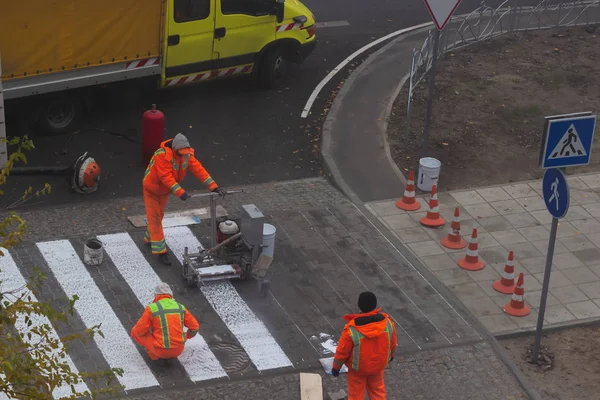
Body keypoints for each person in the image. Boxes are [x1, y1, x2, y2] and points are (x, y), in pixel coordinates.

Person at [143, 133, 225, 265]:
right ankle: (161, 252)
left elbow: (199, 169)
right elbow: (166, 177)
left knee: (158, 216)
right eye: (181, 153)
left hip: (163, 191)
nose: (183, 156)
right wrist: (180, 192)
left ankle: (149, 237)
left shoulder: (185, 154)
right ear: (175, 149)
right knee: (155, 218)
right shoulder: (162, 155)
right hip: (152, 190)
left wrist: (214, 187)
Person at [331, 292, 397, 400]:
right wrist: (391, 356)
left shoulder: (352, 329)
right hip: (378, 366)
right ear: (375, 305)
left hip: (358, 369)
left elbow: (342, 352)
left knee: (355, 394)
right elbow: (392, 343)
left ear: (359, 305)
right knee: (378, 391)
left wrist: (336, 368)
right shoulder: (387, 323)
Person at [131, 282, 200, 361]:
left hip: (160, 351)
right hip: (178, 350)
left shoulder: (152, 308)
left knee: (134, 332)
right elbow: (195, 327)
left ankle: (154, 354)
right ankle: (169, 352)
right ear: (170, 295)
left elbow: (139, 331)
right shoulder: (180, 307)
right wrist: (186, 336)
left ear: (156, 295)